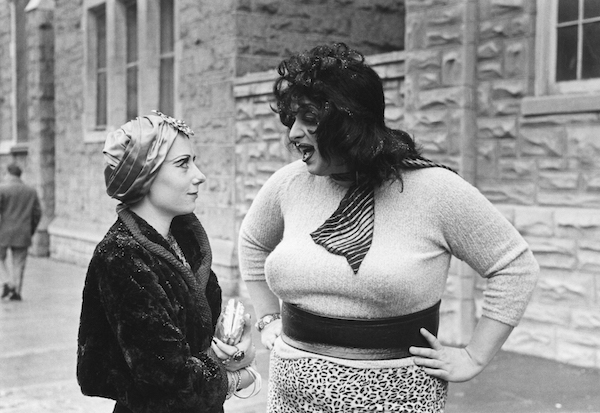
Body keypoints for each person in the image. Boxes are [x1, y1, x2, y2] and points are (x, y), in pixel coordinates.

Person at [238, 43, 540, 412]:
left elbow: (514, 266)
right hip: (292, 397)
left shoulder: (434, 190)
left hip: (396, 397)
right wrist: (269, 318)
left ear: (348, 122)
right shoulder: (288, 184)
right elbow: (253, 242)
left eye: (309, 118)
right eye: (292, 120)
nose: (293, 134)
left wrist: (475, 357)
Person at [77, 112, 258, 413]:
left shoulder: (183, 242)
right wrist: (235, 379)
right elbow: (165, 377)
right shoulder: (120, 256)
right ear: (144, 173)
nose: (199, 175)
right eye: (183, 164)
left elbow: (196, 341)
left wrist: (232, 350)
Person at [0, 163, 42, 301]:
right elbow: (37, 213)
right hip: (23, 233)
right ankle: (16, 290)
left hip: (4, 232)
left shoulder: (2, 189)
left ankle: (7, 282)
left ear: (8, 173)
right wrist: (30, 229)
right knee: (19, 263)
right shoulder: (31, 191)